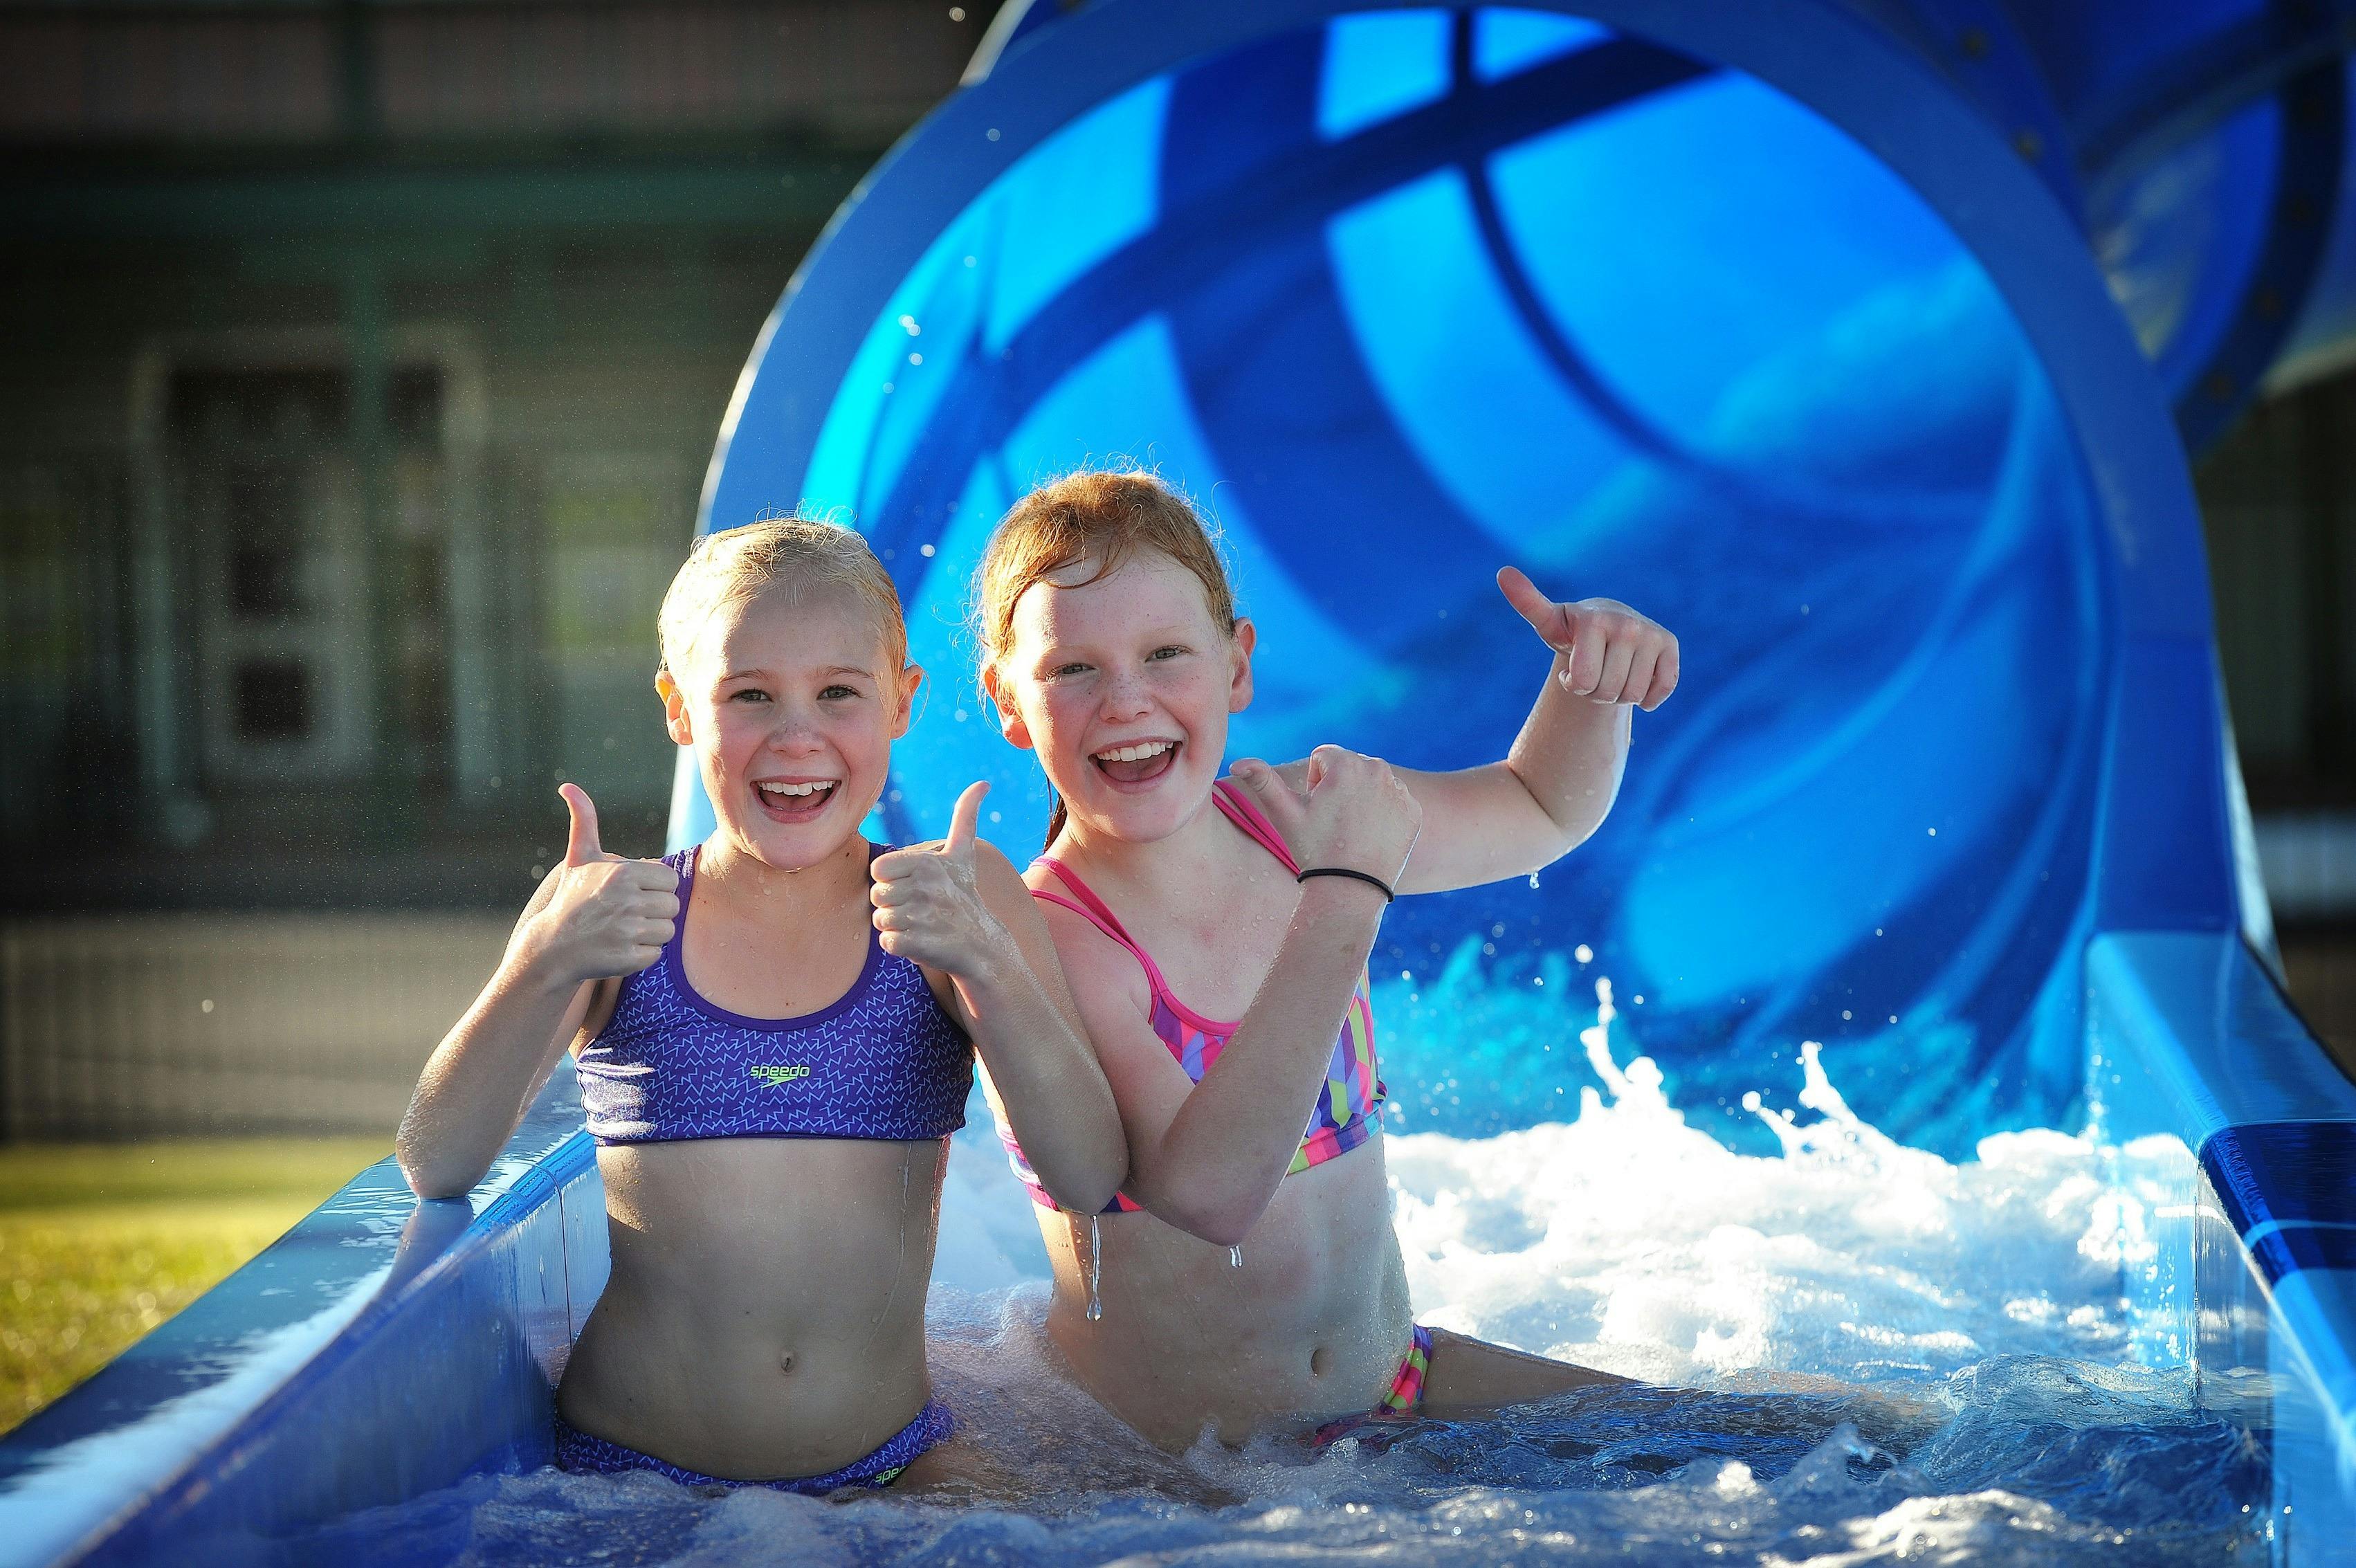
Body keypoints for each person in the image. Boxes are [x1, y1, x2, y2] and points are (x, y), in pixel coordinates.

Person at [395, 516, 1124, 1492]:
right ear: (679, 707)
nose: (796, 735)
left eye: (837, 692)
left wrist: (988, 966)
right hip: (634, 1476)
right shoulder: (612, 913)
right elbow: (437, 1158)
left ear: (901, 701)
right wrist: (540, 963)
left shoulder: (962, 899)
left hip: (890, 1470)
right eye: (750, 695)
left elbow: (1087, 1177)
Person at [974, 470, 1678, 1451]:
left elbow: (1539, 806)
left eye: (1165, 653)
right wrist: (1345, 890)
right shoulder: (1054, 934)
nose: (1126, 700)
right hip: (1193, 1463)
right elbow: (1212, 1196)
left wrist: (1590, 685)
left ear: (1236, 666)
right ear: (1007, 702)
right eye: (1072, 670)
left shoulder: (1291, 822)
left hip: (1394, 1377)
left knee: (1794, 1441)